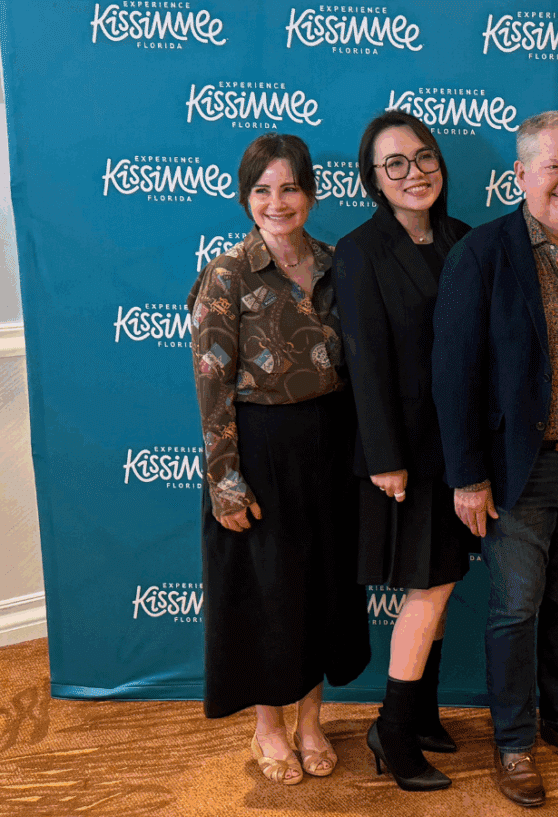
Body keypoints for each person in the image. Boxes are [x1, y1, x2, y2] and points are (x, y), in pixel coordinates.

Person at [431, 111, 558, 808]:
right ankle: (515, 740)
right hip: (518, 470)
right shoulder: (483, 253)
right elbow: (453, 372)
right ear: (520, 174)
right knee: (516, 609)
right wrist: (467, 474)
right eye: (553, 166)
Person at [187, 133, 370, 786]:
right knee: (269, 595)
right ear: (246, 198)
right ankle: (269, 726)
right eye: (262, 189)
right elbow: (212, 383)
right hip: (259, 452)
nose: (277, 201)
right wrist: (225, 480)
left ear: (310, 194)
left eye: (289, 187)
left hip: (330, 448)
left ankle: (311, 721)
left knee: (321, 589)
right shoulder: (227, 273)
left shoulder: (337, 264)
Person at [333, 110, 477, 791]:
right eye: (395, 163)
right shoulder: (360, 250)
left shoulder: (462, 239)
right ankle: (391, 728)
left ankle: (420, 713)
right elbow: (363, 361)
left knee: (441, 578)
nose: (414, 172)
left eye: (423, 157)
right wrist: (384, 457)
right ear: (373, 178)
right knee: (430, 583)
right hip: (405, 456)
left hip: (460, 450)